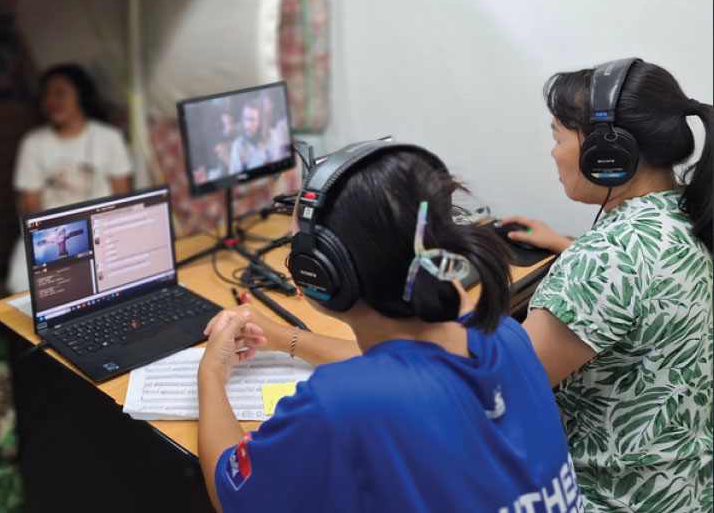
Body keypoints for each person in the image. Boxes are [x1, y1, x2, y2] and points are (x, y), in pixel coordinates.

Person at [197, 141, 583, 512]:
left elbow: (231, 493)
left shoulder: (340, 404)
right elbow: (406, 368)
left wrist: (211, 373)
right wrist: (287, 338)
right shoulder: (505, 334)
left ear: (320, 271)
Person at [496, 59, 713, 511]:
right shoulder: (688, 215)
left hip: (604, 497)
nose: (553, 153)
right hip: (683, 488)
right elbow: (644, 275)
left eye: (557, 137)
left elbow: (496, 391)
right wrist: (564, 244)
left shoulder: (608, 257)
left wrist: (306, 341)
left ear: (607, 154)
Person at [6, 64, 132, 294]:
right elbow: (30, 206)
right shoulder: (33, 143)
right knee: (22, 286)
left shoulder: (109, 138)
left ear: (81, 95)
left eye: (60, 93)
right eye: (46, 95)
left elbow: (122, 198)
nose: (52, 101)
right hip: (49, 234)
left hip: (103, 229)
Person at [227, 99, 269, 174]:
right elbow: (235, 179)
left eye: (252, 120)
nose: (248, 126)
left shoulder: (272, 137)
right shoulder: (237, 146)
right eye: (245, 119)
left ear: (260, 121)